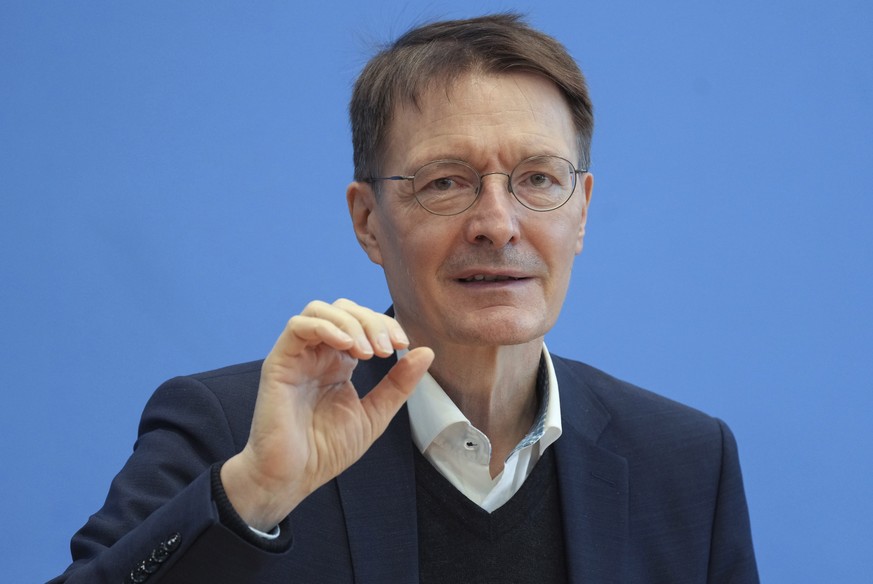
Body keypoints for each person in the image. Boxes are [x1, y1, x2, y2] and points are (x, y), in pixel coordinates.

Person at [49, 13, 758, 584]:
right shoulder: (232, 432)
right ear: (367, 223)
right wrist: (252, 495)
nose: (496, 224)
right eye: (444, 182)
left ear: (582, 211)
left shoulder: (686, 461)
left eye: (538, 179)